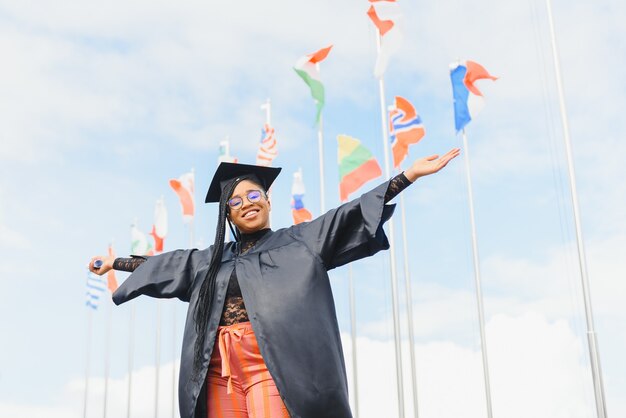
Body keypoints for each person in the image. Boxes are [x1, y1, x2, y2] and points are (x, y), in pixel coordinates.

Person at [89, 148, 460, 418]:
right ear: (228, 215)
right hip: (216, 370)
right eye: (235, 201)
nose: (246, 202)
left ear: (267, 200)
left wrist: (407, 176)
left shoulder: (301, 241)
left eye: (253, 195)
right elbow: (166, 265)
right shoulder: (209, 260)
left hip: (271, 363)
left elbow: (349, 213)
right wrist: (114, 263)